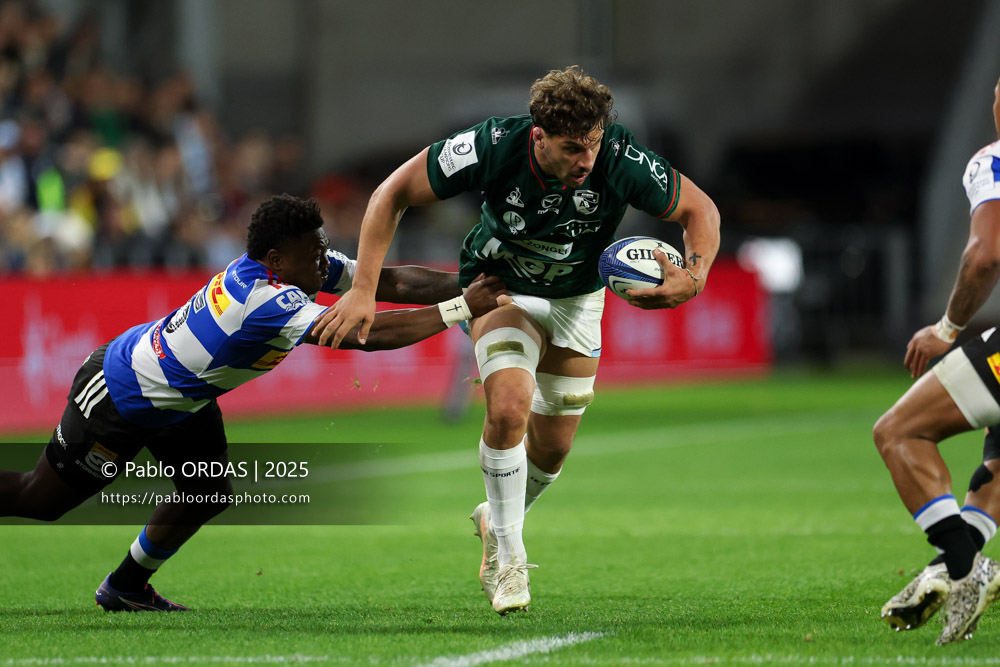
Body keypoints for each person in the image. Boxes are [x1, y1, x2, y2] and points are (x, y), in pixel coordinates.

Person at [312, 66, 721, 614]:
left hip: (578, 300)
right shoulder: (491, 146)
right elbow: (391, 193)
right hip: (501, 290)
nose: (587, 160)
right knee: (508, 407)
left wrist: (691, 279)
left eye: (593, 145)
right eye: (573, 148)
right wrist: (363, 289)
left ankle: (494, 517)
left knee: (552, 452)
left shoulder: (620, 159)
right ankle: (508, 557)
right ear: (539, 137)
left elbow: (702, 211)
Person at [0, 194, 507, 611]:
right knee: (38, 501)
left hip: (182, 400)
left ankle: (125, 587)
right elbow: (365, 335)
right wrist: (463, 307)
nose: (324, 256)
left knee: (207, 491)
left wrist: (473, 283)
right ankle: (125, 585)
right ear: (277, 260)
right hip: (119, 395)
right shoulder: (261, 302)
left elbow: (388, 281)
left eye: (323, 246)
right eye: (314, 251)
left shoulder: (291, 268)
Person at [874, 76, 1000, 645]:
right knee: (996, 471)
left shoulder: (992, 161)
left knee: (899, 431)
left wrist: (947, 328)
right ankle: (950, 570)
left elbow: (986, 254)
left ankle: (964, 566)